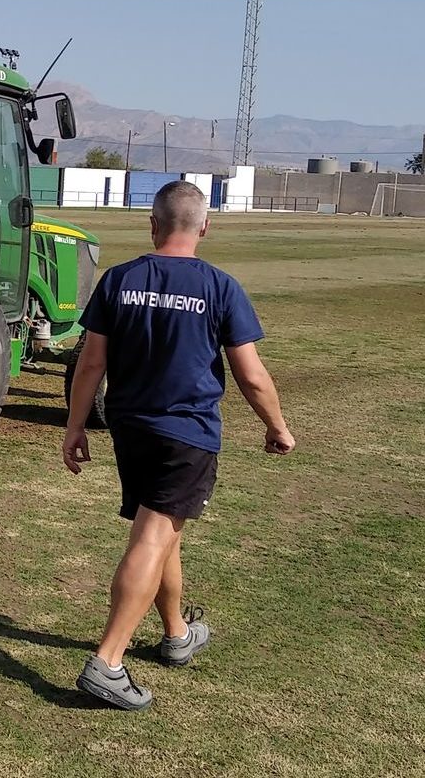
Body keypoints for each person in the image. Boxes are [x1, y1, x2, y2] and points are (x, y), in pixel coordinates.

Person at [61, 179, 296, 711]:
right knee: (154, 534)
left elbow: (91, 362)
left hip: (130, 428)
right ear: (205, 227)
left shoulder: (119, 279)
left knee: (164, 529)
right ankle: (108, 661)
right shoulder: (219, 286)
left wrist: (75, 425)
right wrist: (277, 426)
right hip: (185, 433)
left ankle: (175, 633)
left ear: (153, 224)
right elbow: (251, 375)